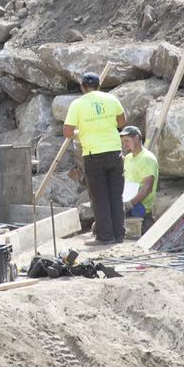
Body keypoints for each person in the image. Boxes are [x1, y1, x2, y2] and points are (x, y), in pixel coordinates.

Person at [63, 71, 127, 245]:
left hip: (93, 155)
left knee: (99, 198)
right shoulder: (111, 99)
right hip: (114, 152)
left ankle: (105, 236)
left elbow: (67, 132)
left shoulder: (77, 104)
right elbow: (122, 122)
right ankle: (119, 234)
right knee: (116, 195)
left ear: (82, 87)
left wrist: (80, 133)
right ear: (99, 86)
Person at [120, 125, 159, 232]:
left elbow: (147, 188)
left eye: (127, 141)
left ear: (137, 138)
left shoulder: (147, 158)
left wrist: (130, 204)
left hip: (140, 207)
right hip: (129, 201)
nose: (124, 145)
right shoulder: (128, 158)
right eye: (123, 142)